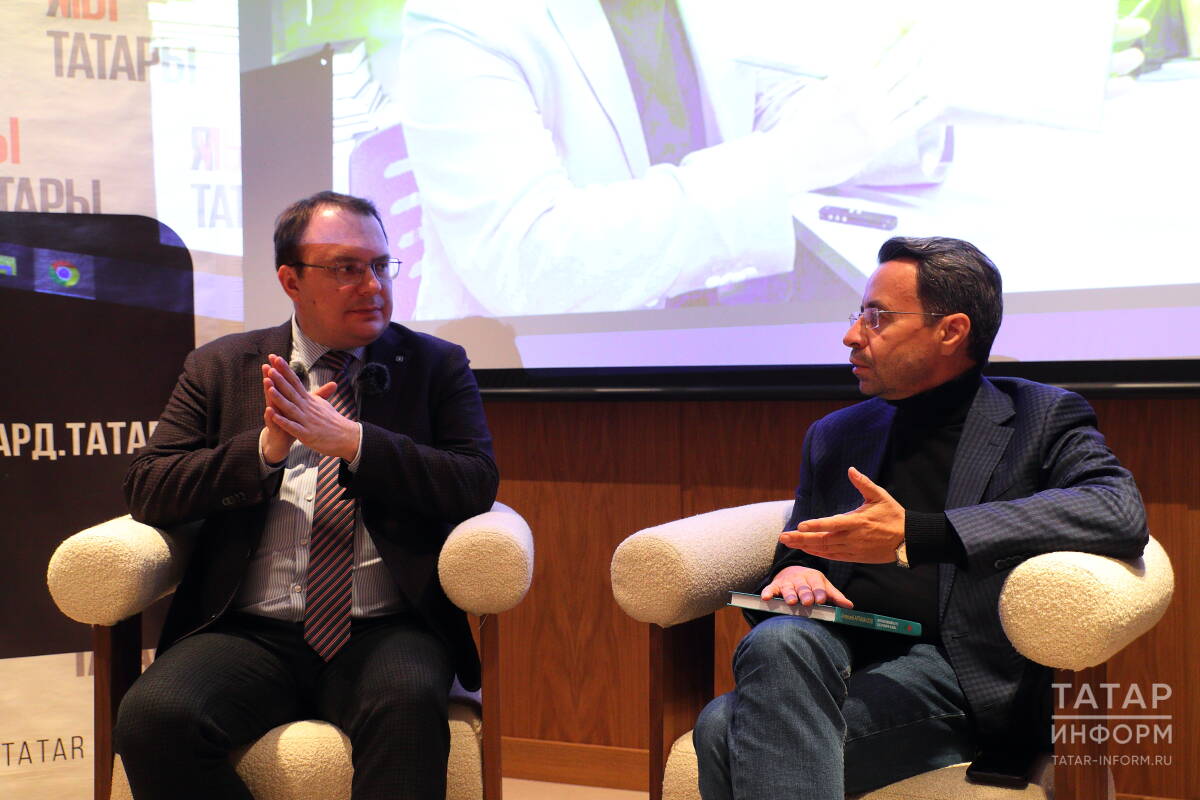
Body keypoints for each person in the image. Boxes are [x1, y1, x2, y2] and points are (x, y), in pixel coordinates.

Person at [692, 236, 1148, 799]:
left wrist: (917, 534)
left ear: (951, 331)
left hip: (962, 672)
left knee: (721, 729)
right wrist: (795, 571)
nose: (852, 335)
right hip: (843, 648)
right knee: (779, 638)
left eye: (877, 317)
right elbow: (803, 544)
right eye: (858, 314)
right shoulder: (838, 434)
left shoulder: (1040, 416)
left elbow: (1116, 510)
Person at [116, 191, 499, 800]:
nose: (372, 285)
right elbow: (148, 487)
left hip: (387, 628)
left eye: (380, 265)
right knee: (153, 717)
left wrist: (354, 442)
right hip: (249, 631)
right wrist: (262, 451)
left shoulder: (434, 365)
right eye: (347, 268)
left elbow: (474, 482)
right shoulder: (221, 367)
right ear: (290, 280)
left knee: (406, 709)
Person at [394, 0, 947, 319]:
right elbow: (529, 263)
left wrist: (903, 125)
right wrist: (786, 161)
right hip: (543, 391)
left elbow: (769, 101)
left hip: (721, 337)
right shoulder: (464, 20)